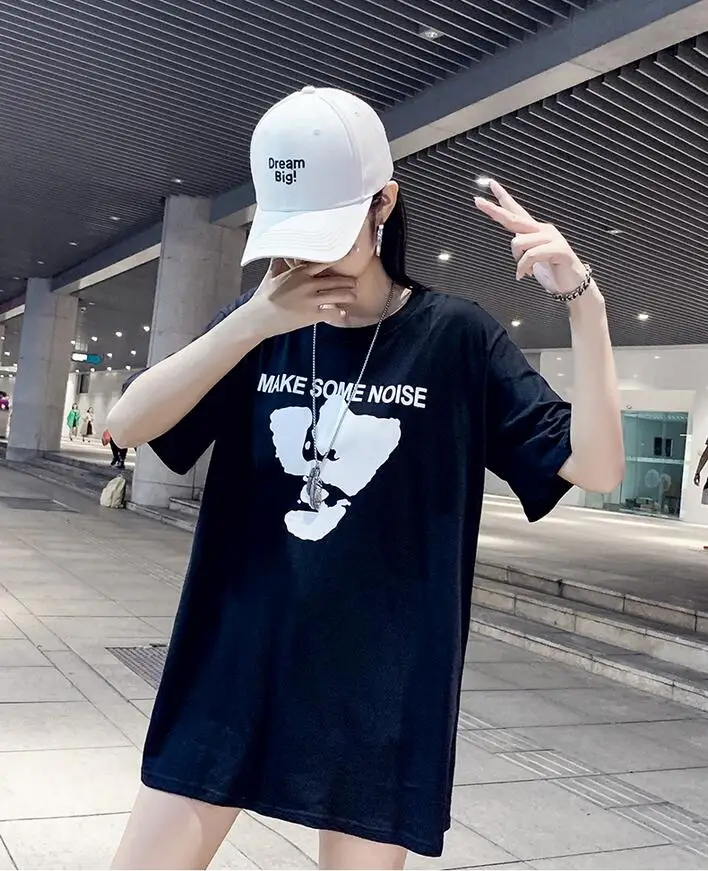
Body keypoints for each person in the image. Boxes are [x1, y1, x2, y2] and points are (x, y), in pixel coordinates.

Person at [107, 86, 624, 870]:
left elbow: (596, 465)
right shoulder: (260, 324)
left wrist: (586, 306)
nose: (306, 258)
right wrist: (253, 321)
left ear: (385, 202)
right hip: (232, 668)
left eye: (327, 231)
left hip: (378, 696)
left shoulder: (455, 337)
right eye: (292, 235)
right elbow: (128, 423)